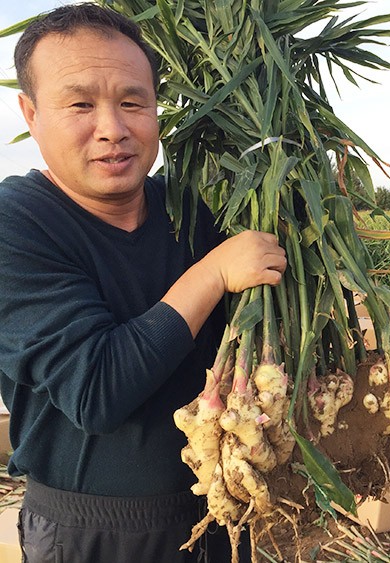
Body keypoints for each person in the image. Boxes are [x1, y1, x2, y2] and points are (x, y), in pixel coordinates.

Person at [0, 5, 287, 562]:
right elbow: (97, 388)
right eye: (80, 103)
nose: (113, 128)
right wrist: (214, 272)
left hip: (221, 506)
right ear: (31, 114)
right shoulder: (18, 222)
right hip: (94, 534)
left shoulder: (192, 209)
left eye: (133, 102)